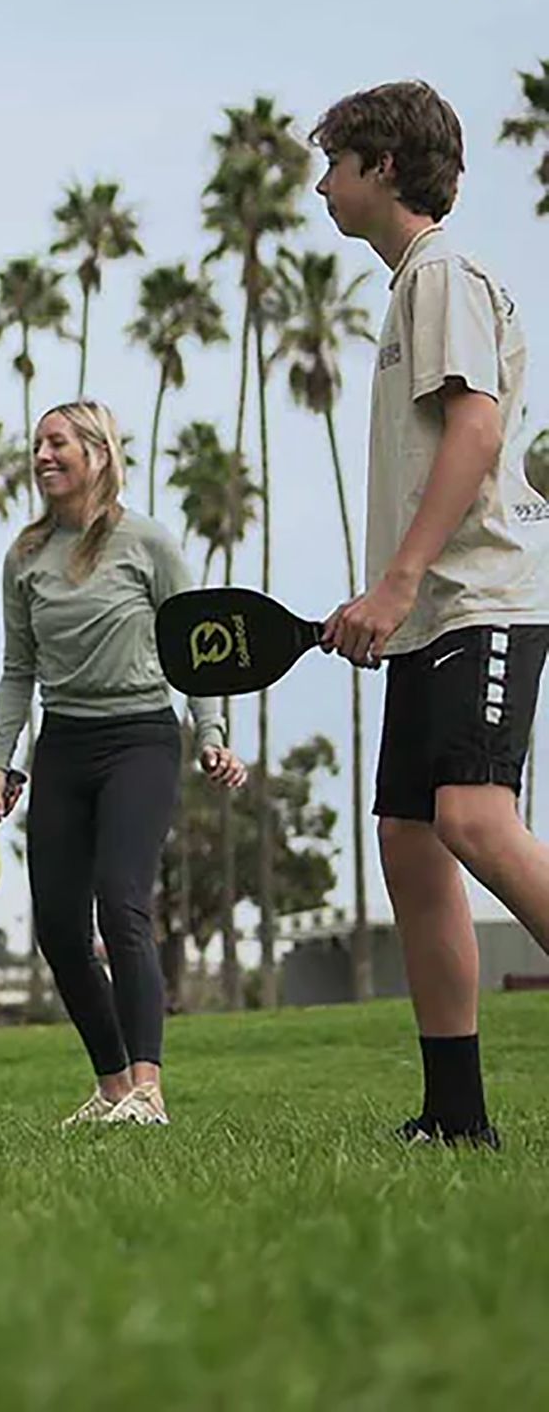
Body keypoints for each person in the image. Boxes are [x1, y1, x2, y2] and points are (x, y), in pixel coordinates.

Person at [314, 80, 549, 1148]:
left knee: (470, 818)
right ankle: (456, 1116)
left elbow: (476, 432)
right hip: (428, 613)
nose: (322, 183)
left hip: (480, 600)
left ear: (381, 167)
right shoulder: (413, 284)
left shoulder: (442, 271)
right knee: (410, 839)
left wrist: (402, 579)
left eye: (334, 162)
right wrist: (385, 596)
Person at [0, 398, 247, 1127]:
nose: (42, 455)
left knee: (121, 903)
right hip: (63, 744)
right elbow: (18, 669)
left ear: (97, 453)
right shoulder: (24, 557)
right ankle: (110, 1089)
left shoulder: (148, 544)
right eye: (36, 443)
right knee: (59, 930)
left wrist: (213, 733)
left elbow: (198, 648)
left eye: (58, 442)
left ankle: (149, 1090)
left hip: (139, 738)